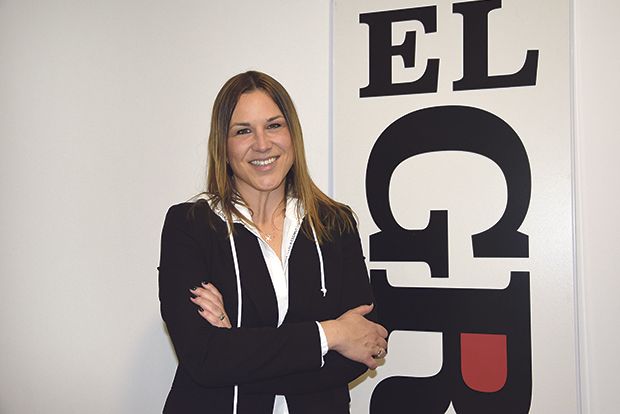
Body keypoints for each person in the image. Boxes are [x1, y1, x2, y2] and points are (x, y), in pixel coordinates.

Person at [158, 70, 387, 414]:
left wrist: (235, 349)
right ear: (223, 145)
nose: (262, 144)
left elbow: (365, 346)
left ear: (292, 134)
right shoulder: (190, 226)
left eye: (274, 125)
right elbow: (203, 358)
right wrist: (332, 335)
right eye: (243, 131)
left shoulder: (334, 224)